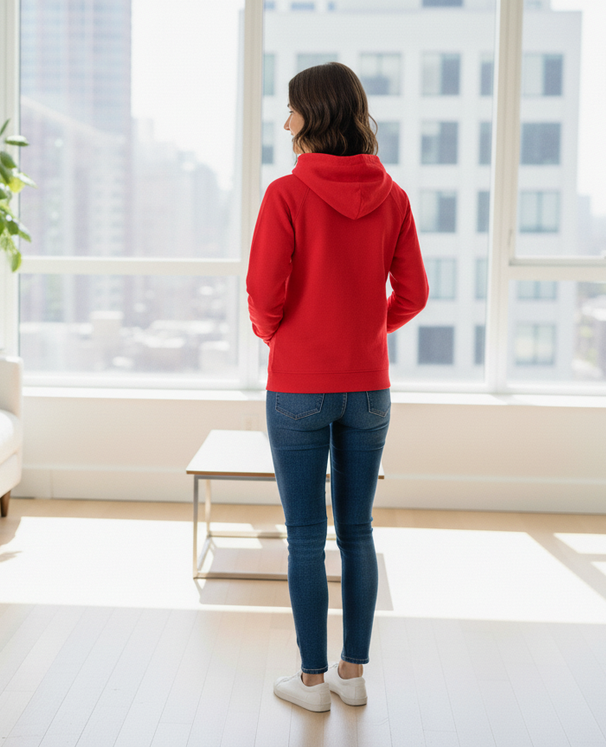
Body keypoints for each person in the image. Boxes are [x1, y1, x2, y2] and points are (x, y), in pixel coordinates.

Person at [246, 62, 429, 713]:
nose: (285, 117)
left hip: (298, 386)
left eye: (291, 107)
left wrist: (288, 340)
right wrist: (362, 330)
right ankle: (353, 672)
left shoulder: (286, 195)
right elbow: (415, 294)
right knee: (357, 529)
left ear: (312, 115)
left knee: (304, 534)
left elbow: (263, 297)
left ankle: (313, 682)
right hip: (370, 387)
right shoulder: (395, 195)